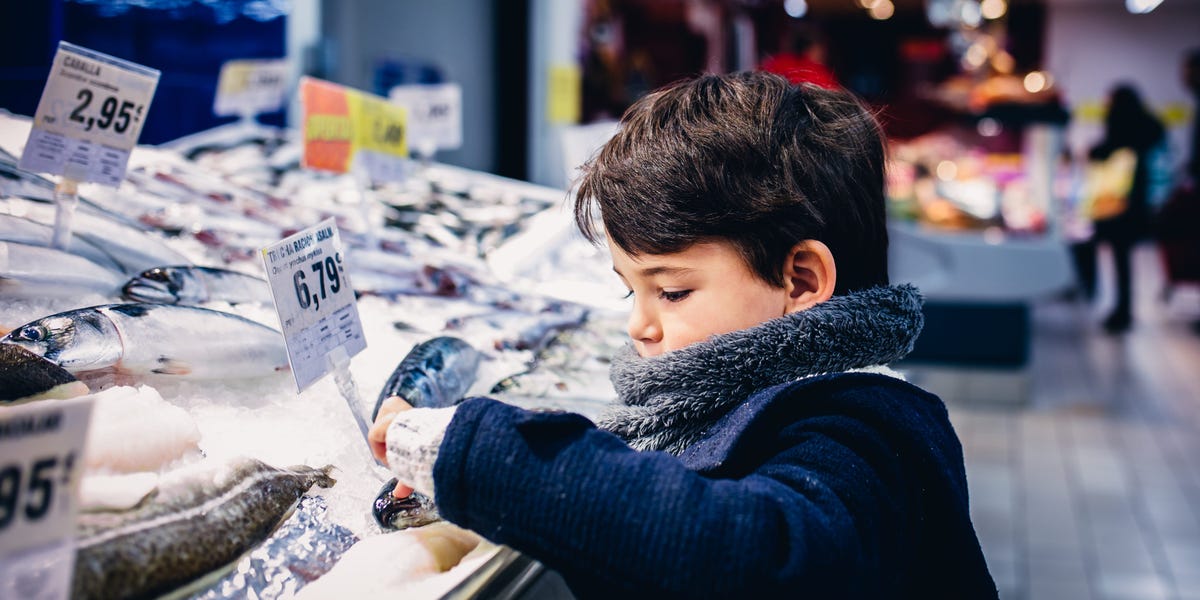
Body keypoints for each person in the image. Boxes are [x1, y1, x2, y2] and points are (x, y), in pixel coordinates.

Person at [369, 72, 997, 598]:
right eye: (629, 289)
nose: (639, 324)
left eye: (671, 292)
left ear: (801, 280)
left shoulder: (865, 434)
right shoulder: (737, 396)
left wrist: (490, 458)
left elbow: (757, 554)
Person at [1079, 83, 1166, 333]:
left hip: (1116, 201)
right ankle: (1122, 308)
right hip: (1136, 201)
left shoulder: (1121, 126)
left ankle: (1118, 309)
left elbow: (1103, 152)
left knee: (1116, 256)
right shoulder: (1148, 127)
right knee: (1122, 258)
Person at [759, 25, 839, 90]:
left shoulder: (775, 62)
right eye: (820, 50)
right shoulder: (818, 73)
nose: (824, 54)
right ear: (810, 49)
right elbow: (834, 98)